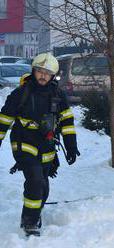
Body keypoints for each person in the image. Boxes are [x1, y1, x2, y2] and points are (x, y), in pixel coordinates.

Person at [0, 53, 79, 236]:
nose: (43, 75)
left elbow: (67, 122)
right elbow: (3, 120)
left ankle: (32, 213)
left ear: (53, 75)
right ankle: (30, 222)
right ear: (34, 71)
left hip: (47, 145)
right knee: (35, 181)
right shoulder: (20, 94)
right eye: (40, 71)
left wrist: (71, 146)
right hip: (24, 143)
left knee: (43, 186)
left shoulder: (58, 96)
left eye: (48, 72)